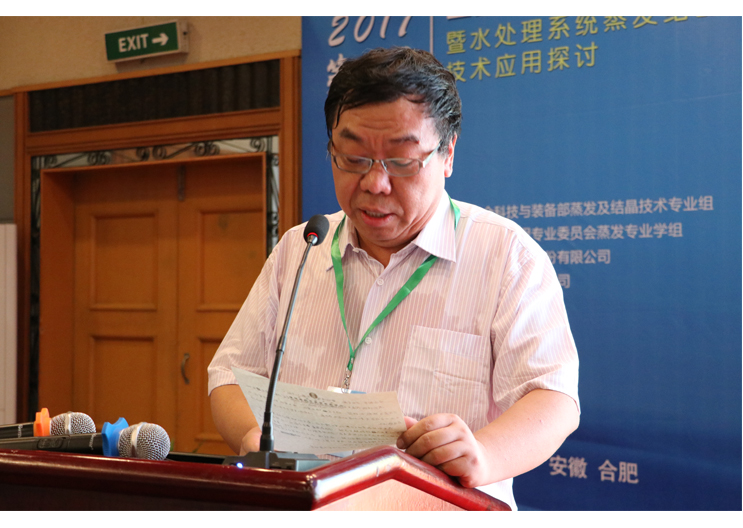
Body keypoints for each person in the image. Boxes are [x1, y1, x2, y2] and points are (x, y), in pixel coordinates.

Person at [208, 46, 579, 510]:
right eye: (353, 157)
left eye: (401, 161)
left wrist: (482, 454)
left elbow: (552, 397)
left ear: (447, 154)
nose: (375, 183)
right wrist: (253, 437)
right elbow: (229, 375)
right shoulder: (300, 250)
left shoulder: (506, 256)